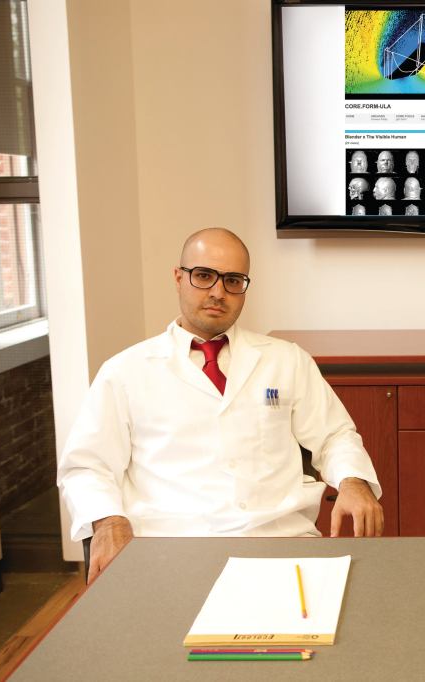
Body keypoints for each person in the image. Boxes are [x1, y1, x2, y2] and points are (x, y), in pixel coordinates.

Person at [59, 228, 384, 582]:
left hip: (279, 545)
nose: (218, 292)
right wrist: (107, 520)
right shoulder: (125, 371)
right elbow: (87, 465)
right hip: (168, 552)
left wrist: (353, 481)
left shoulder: (287, 360)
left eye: (232, 280)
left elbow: (334, 435)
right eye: (203, 276)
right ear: (178, 278)